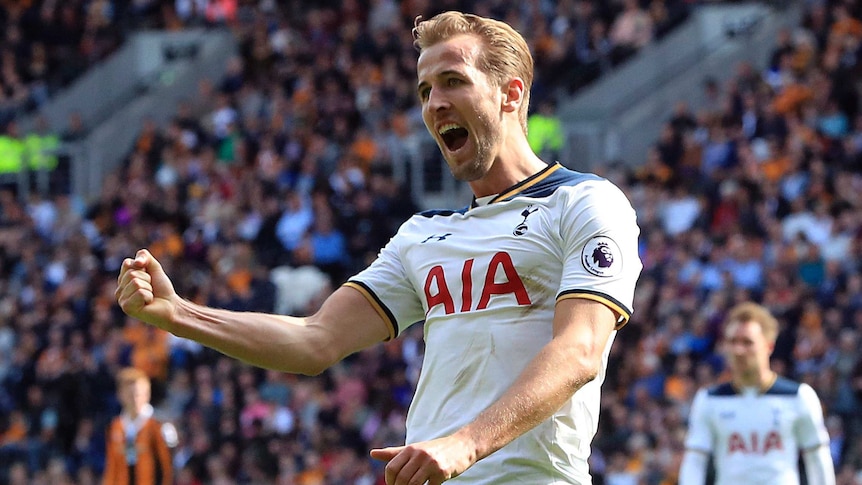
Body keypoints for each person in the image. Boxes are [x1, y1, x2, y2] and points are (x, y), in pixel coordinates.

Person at [115, 11, 642, 484]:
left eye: (453, 82)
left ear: (511, 93)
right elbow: (313, 342)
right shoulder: (421, 235)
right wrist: (179, 314)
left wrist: (466, 443)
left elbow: (579, 352)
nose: (435, 104)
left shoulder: (584, 203)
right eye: (425, 90)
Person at [678, 302, 835, 485]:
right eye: (732, 342)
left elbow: (817, 459)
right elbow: (695, 461)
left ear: (768, 346)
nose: (738, 350)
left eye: (747, 342)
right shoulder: (709, 400)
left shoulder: (798, 397)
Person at [103, 367, 175, 485]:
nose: (134, 399)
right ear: (120, 395)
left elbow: (168, 468)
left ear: (147, 393)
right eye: (130, 395)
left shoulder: (159, 424)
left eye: (137, 394)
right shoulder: (115, 427)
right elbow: (112, 468)